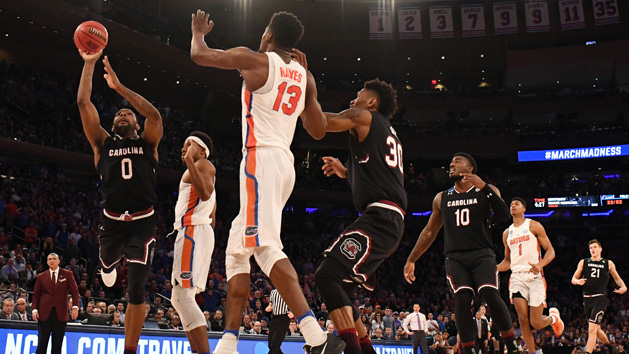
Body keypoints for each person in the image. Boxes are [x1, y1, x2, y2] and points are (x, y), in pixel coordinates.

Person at [189, 8, 343, 354]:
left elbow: (199, 55)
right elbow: (317, 131)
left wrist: (198, 32)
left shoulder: (256, 59)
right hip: (284, 163)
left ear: (270, 36)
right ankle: (228, 343)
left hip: (260, 158)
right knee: (235, 250)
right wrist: (305, 79)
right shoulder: (305, 76)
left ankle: (316, 338)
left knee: (265, 246)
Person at [312, 77, 406, 354]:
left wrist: (305, 88)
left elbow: (322, 123)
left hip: (380, 219)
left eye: (358, 95)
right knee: (342, 289)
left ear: (372, 102)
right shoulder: (388, 132)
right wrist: (345, 171)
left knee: (326, 276)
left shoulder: (363, 116)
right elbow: (376, 176)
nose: (353, 100)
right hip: (388, 219)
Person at [77, 48, 163, 354]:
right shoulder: (102, 142)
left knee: (136, 290)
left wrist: (119, 87)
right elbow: (83, 103)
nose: (124, 113)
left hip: (143, 222)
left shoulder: (148, 142)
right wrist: (89, 64)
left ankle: (129, 350)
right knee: (107, 270)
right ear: (113, 126)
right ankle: (107, 265)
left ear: (136, 125)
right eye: (119, 114)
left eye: (128, 113)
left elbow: (154, 114)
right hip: (111, 222)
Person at [404, 153, 521, 354]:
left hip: (483, 254)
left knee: (489, 293)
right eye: (451, 162)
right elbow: (430, 231)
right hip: (455, 258)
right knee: (462, 298)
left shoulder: (487, 190)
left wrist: (484, 186)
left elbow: (504, 215)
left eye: (457, 162)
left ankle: (512, 345)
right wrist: (412, 258)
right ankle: (468, 350)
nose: (452, 164)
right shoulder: (442, 198)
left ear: (470, 169)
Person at [497, 197, 564, 352]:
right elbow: (507, 261)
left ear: (524, 209)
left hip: (534, 276)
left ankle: (553, 319)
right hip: (517, 277)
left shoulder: (534, 225)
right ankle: (533, 352)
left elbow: (551, 251)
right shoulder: (507, 233)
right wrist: (493, 268)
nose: (513, 206)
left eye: (517, 204)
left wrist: (540, 265)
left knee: (536, 322)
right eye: (511, 204)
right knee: (523, 319)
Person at [171, 131, 216, 354]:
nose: (183, 148)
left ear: (201, 150)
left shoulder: (203, 164)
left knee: (183, 297)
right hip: (197, 232)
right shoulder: (200, 169)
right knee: (179, 299)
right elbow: (212, 215)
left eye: (188, 144)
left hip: (193, 230)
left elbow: (206, 194)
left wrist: (190, 160)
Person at [571, 239, 627, 354]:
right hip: (586, 298)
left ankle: (588, 352)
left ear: (600, 249)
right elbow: (573, 279)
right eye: (591, 248)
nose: (593, 249)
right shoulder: (584, 262)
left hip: (600, 298)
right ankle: (611, 347)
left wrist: (624, 287)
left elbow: (616, 277)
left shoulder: (608, 263)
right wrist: (578, 281)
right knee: (597, 330)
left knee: (591, 329)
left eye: (595, 247)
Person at [32, 253, 80, 354]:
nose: (52, 261)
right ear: (47, 262)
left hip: (61, 313)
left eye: (54, 259)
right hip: (44, 313)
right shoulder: (41, 276)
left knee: (57, 345)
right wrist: (34, 310)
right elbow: (36, 295)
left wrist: (75, 307)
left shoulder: (67, 274)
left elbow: (75, 291)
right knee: (42, 343)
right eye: (49, 259)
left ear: (58, 261)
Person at [267, 288, 292, 354]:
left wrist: (293, 313)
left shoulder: (289, 291)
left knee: (275, 344)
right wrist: (268, 308)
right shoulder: (273, 292)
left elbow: (295, 303)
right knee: (270, 344)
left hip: (284, 318)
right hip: (274, 318)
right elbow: (271, 304)